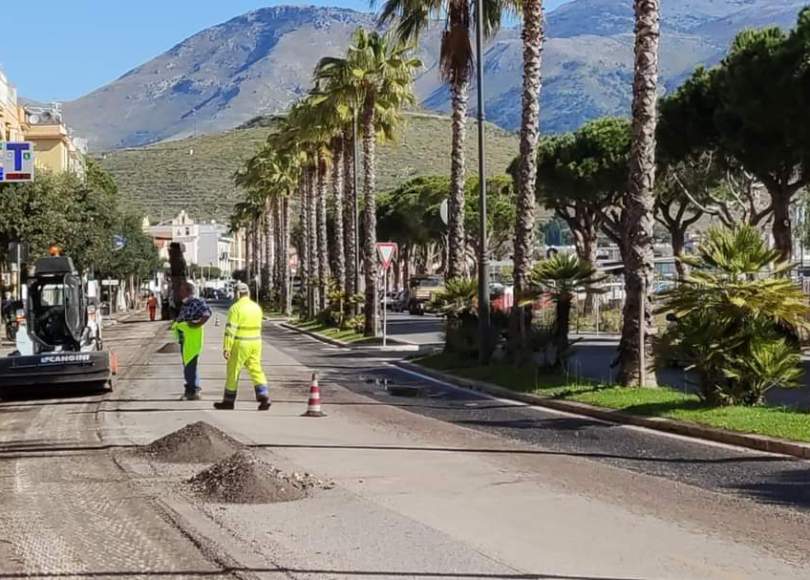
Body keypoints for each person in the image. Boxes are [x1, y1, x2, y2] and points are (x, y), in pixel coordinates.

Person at [215, 282, 269, 410]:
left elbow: (230, 330)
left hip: (240, 343)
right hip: (256, 342)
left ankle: (228, 401)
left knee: (233, 371)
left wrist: (227, 347)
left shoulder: (235, 308)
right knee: (256, 369)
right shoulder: (256, 307)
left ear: (237, 294)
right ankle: (263, 396)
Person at [171, 282, 211, 401]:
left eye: (181, 290)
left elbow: (207, 313)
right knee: (188, 365)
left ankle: (193, 390)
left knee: (190, 366)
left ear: (188, 291)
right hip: (185, 339)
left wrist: (197, 323)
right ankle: (191, 389)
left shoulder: (196, 302)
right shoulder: (186, 304)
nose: (179, 293)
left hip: (192, 340)